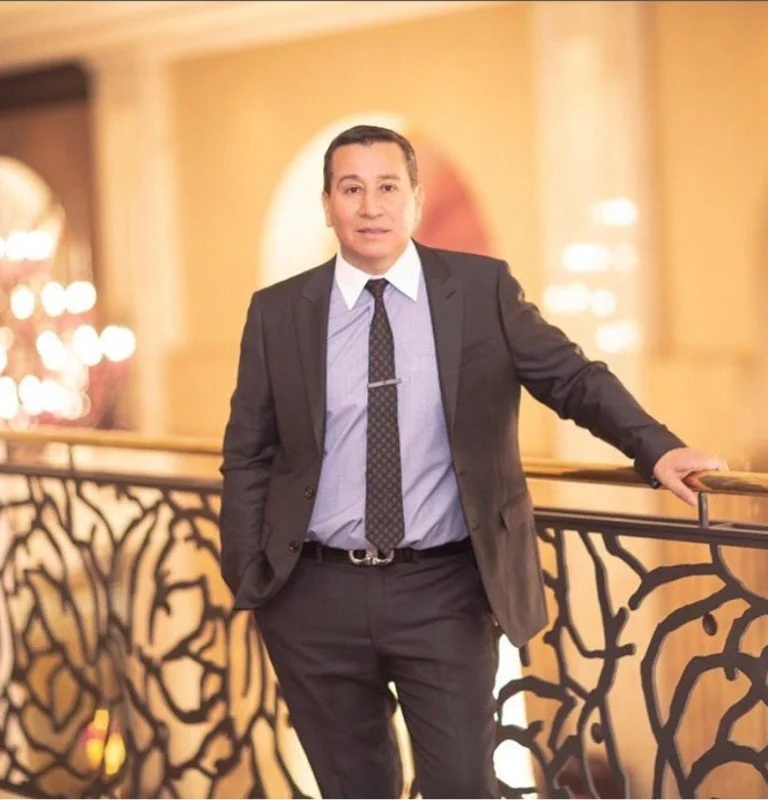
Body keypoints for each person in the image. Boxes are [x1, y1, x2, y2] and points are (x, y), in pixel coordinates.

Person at [219, 124, 727, 799]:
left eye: (387, 187)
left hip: (444, 592)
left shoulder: (481, 291)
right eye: (352, 188)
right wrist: (249, 573)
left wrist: (655, 447)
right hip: (313, 596)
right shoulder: (278, 312)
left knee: (462, 785)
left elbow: (572, 380)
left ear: (416, 200)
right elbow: (248, 450)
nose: (371, 206)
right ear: (328, 204)